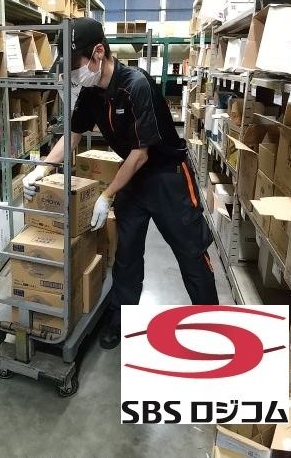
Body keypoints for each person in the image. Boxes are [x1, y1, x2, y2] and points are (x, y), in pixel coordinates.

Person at [23, 17, 218, 350]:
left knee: (191, 253)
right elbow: (72, 135)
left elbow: (141, 154)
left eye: (76, 64)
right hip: (133, 179)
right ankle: (120, 318)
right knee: (126, 254)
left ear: (99, 52)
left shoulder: (136, 85)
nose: (73, 73)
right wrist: (41, 169)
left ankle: (214, 324)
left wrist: (107, 195)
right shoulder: (90, 92)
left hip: (168, 176)